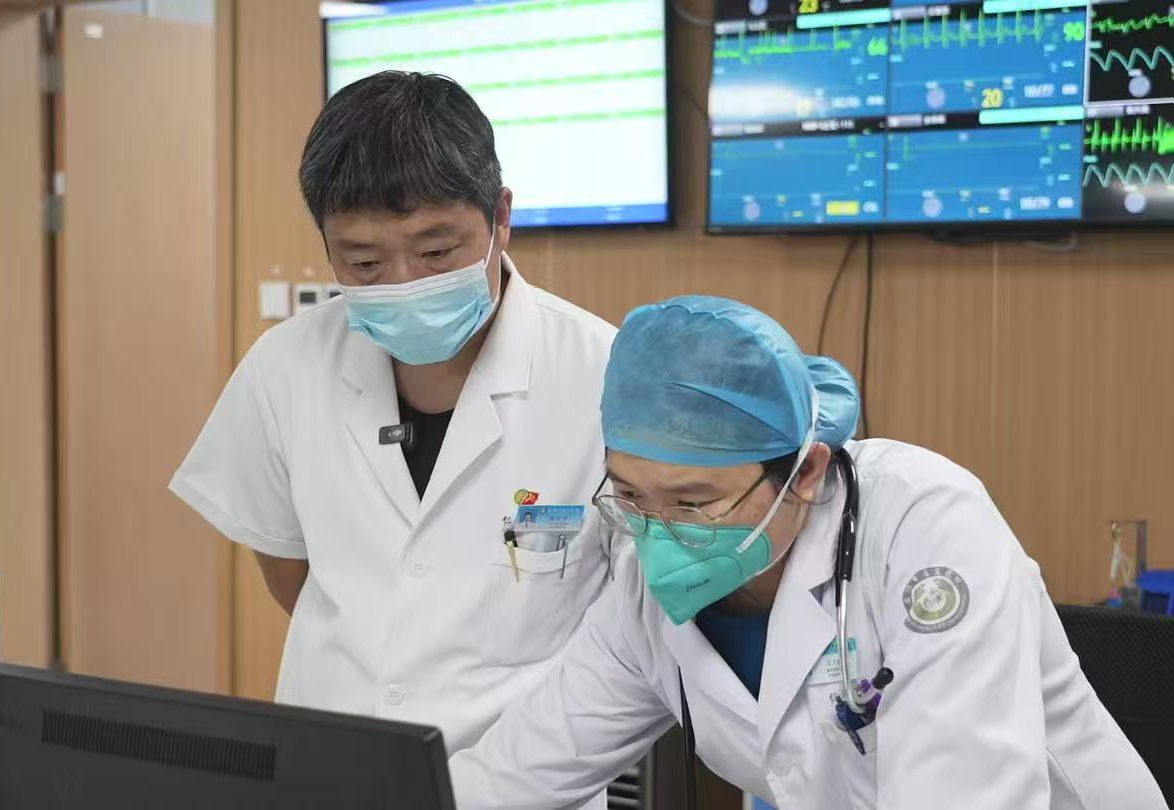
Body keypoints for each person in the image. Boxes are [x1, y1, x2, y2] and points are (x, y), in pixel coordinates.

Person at [450, 296, 1166, 809]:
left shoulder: (925, 524)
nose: (659, 533)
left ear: (806, 473)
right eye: (632, 496)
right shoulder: (643, 596)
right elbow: (511, 777)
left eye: (694, 503)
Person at [169, 72, 617, 803]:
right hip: (332, 772)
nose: (403, 283)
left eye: (436, 253)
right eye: (364, 263)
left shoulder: (602, 376)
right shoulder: (286, 367)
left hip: (524, 785)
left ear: (501, 216)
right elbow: (289, 572)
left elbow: (626, 637)